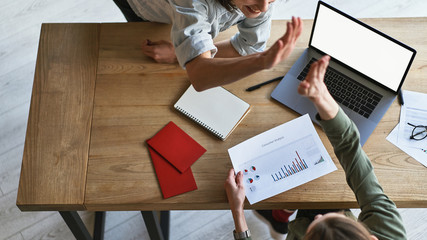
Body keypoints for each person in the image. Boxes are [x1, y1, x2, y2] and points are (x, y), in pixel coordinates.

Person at [224, 55, 407, 240]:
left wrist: (237, 210)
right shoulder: (391, 233)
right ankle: (281, 216)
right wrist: (322, 98)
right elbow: (351, 151)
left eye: (315, 227)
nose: (319, 217)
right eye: (336, 220)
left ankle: (282, 217)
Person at [112, 0, 302, 91]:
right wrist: (259, 62)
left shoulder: (260, 3)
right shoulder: (193, 3)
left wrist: (181, 53)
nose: (264, 8)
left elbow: (248, 46)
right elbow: (199, 76)